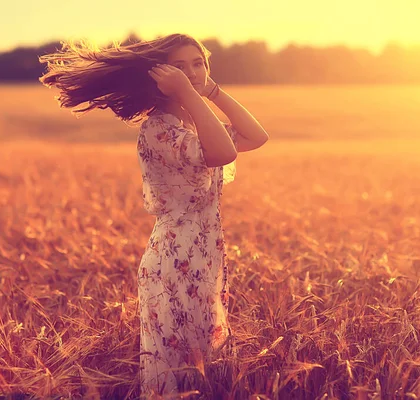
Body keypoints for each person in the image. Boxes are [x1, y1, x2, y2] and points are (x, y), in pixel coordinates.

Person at [39, 33, 268, 398]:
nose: (191, 72)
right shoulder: (160, 129)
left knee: (206, 368)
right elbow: (225, 152)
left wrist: (212, 91)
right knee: (175, 375)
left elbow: (257, 136)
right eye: (178, 67)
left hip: (203, 258)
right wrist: (192, 93)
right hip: (173, 264)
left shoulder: (193, 127)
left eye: (198, 63)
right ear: (160, 76)